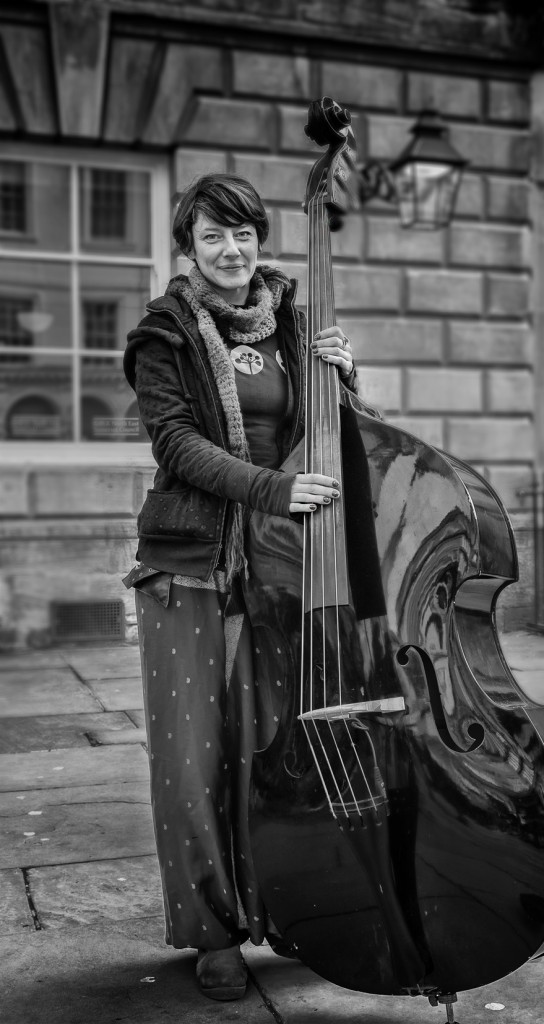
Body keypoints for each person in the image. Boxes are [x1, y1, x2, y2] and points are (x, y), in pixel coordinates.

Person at [122, 173, 357, 1000]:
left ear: (261, 240)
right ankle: (213, 931)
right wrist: (268, 490)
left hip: (281, 565)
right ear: (188, 246)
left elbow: (319, 441)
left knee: (275, 746)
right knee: (194, 757)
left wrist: (344, 381)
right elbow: (178, 443)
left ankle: (284, 904)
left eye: (244, 234)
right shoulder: (164, 334)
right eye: (213, 236)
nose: (231, 250)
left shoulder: (294, 320)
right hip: (190, 564)